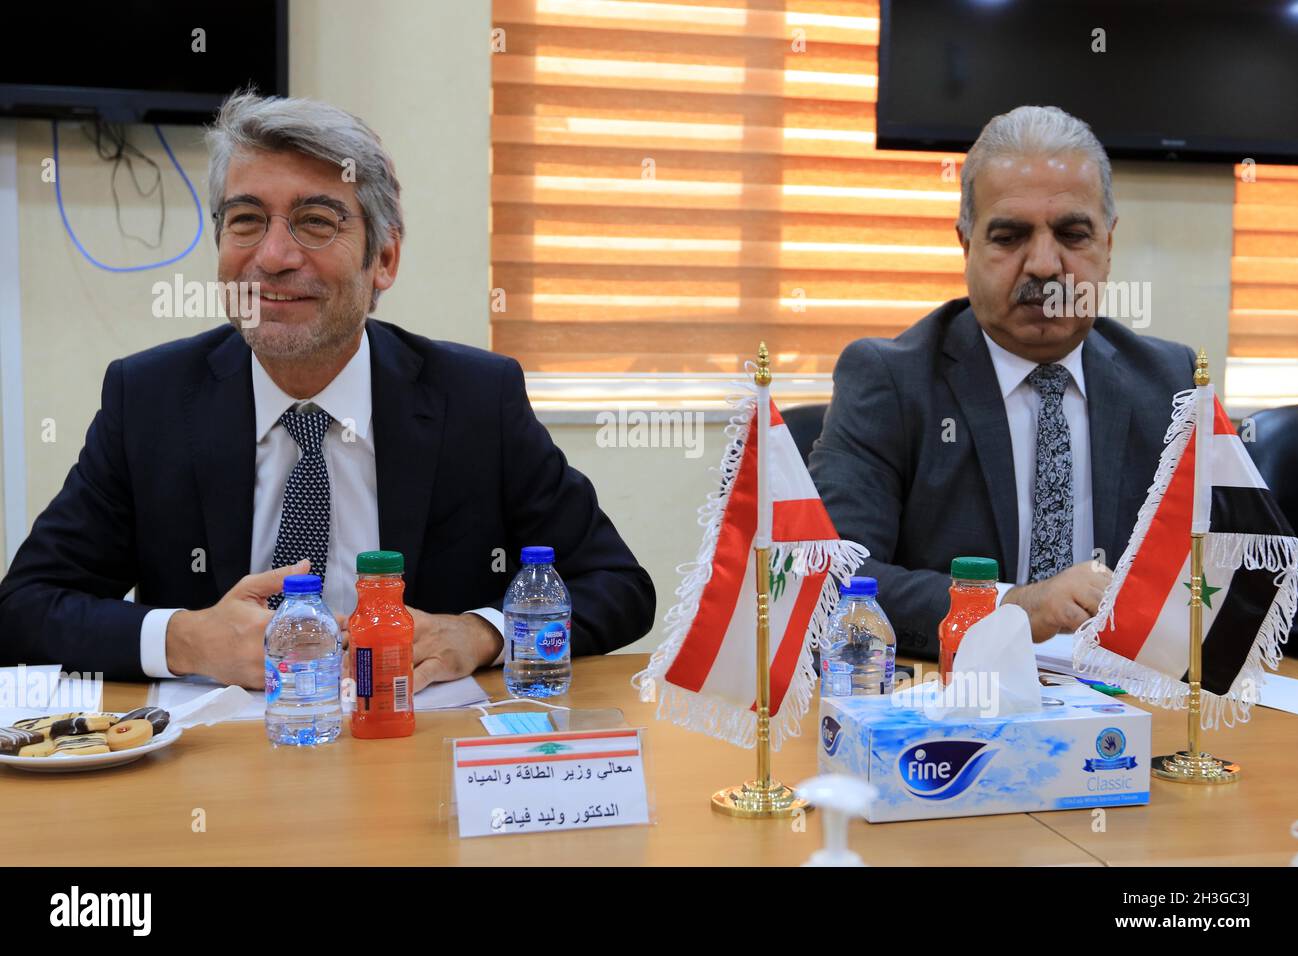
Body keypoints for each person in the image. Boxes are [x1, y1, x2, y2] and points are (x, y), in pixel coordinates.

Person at [0, 92, 655, 688]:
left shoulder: (477, 399)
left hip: (414, 767)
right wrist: (187, 639)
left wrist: (483, 632)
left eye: (316, 222)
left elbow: (618, 587)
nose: (274, 256)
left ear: (384, 259)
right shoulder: (149, 399)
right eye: (247, 220)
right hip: (216, 778)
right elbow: (25, 609)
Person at [810, 105, 1196, 658]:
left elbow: (1238, 565)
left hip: (1129, 701)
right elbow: (836, 579)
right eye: (1010, 237)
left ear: (1108, 245)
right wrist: (1015, 608)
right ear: (966, 245)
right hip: (951, 701)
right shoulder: (890, 380)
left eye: (1072, 234)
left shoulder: (1170, 381)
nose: (1043, 265)